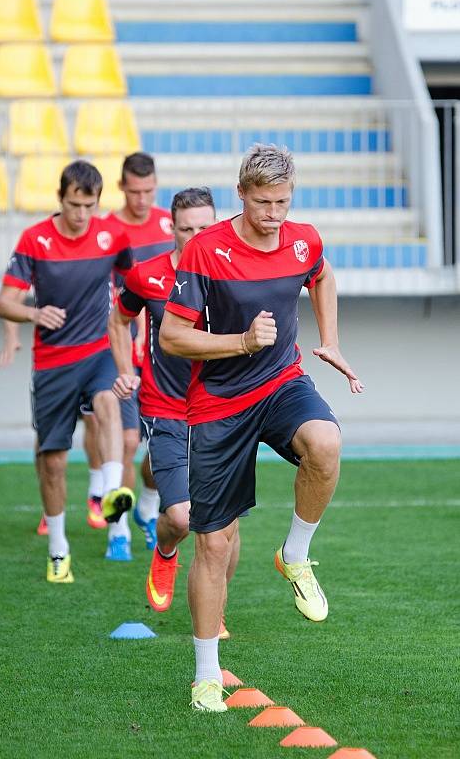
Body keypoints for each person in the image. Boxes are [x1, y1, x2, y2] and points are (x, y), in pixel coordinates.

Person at [159, 144, 364, 712]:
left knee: (326, 441)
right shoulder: (205, 249)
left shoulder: (304, 238)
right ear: (242, 196)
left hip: (280, 383)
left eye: (283, 202)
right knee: (215, 543)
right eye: (263, 202)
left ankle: (294, 555)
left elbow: (320, 275)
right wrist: (242, 342)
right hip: (219, 401)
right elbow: (172, 338)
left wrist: (330, 338)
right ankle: (206, 672)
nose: (274, 214)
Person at [0, 160, 135, 583]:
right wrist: (35, 313)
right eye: (74, 205)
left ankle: (110, 493)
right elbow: (3, 302)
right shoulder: (34, 240)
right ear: (61, 199)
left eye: (89, 206)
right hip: (54, 362)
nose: (81, 215)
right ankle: (58, 548)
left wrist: (139, 328)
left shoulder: (114, 237)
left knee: (109, 401)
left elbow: (135, 287)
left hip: (99, 350)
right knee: (53, 461)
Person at [109, 188, 238, 638]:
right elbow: (118, 318)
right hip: (165, 407)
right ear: (172, 228)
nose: (196, 236)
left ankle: (215, 608)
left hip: (223, 408)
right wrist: (126, 369)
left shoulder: (232, 273)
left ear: (218, 225)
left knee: (226, 523)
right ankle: (165, 550)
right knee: (183, 517)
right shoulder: (147, 276)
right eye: (187, 229)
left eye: (205, 227)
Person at [101, 152, 175, 560]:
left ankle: (147, 506)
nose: (143, 199)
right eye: (135, 191)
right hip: (125, 350)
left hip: (166, 352)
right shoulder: (108, 231)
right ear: (122, 187)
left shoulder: (171, 224)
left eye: (149, 190)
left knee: (162, 447)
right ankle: (118, 529)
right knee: (126, 440)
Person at [0, 323, 108, 533]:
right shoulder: (46, 289)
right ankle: (49, 509)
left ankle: (96, 496)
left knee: (94, 419)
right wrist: (11, 334)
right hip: (52, 363)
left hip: (91, 356)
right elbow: (11, 296)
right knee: (46, 437)